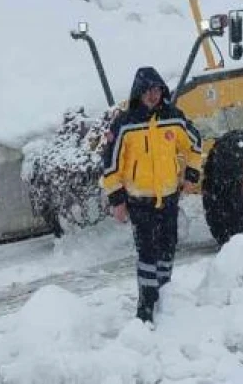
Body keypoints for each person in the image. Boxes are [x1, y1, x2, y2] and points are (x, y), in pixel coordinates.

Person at [101, 67, 202, 324]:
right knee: (147, 254)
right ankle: (146, 305)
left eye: (157, 90)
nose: (153, 96)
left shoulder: (173, 118)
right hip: (139, 202)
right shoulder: (125, 123)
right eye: (148, 91)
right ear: (139, 93)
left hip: (168, 199)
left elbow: (194, 144)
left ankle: (165, 298)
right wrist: (117, 200)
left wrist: (191, 174)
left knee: (167, 249)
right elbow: (111, 163)